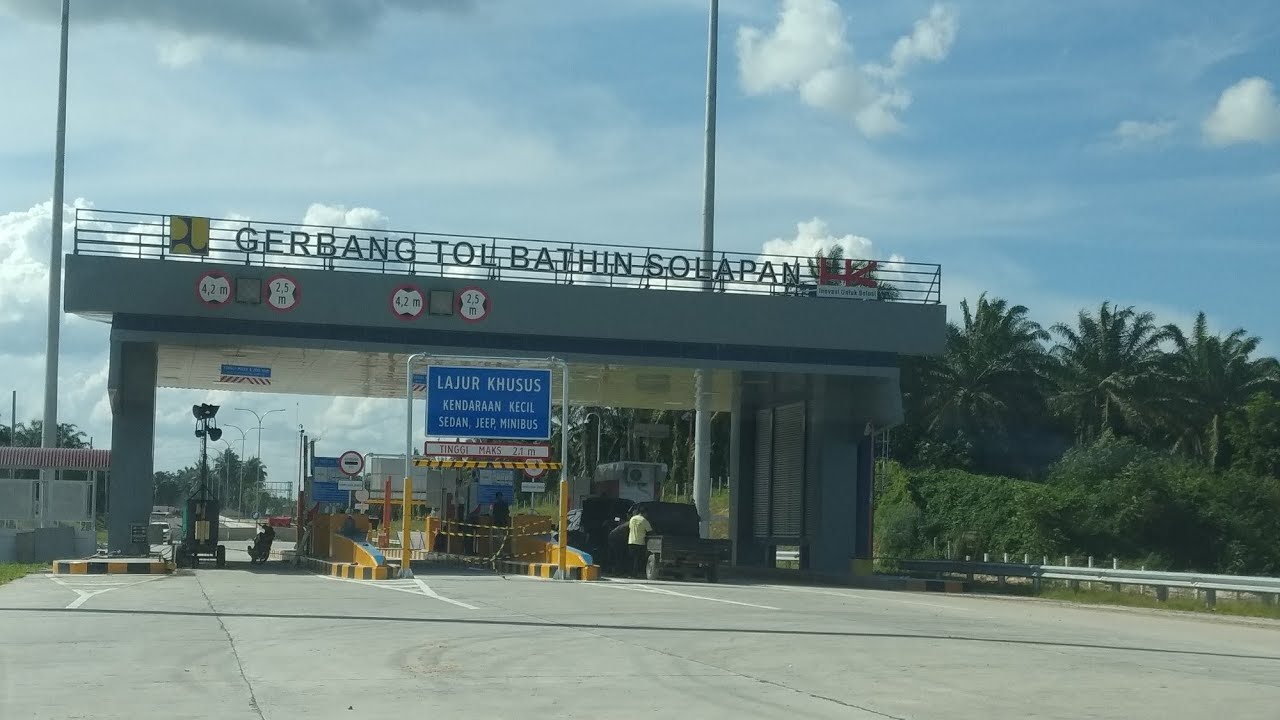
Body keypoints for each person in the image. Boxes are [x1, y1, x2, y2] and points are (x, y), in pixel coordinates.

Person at [627, 506, 653, 578]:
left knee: (631, 559)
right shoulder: (644, 520)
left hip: (631, 541)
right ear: (644, 513)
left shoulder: (632, 519)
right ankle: (634, 574)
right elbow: (650, 531)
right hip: (640, 542)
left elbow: (630, 528)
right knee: (637, 559)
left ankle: (630, 574)